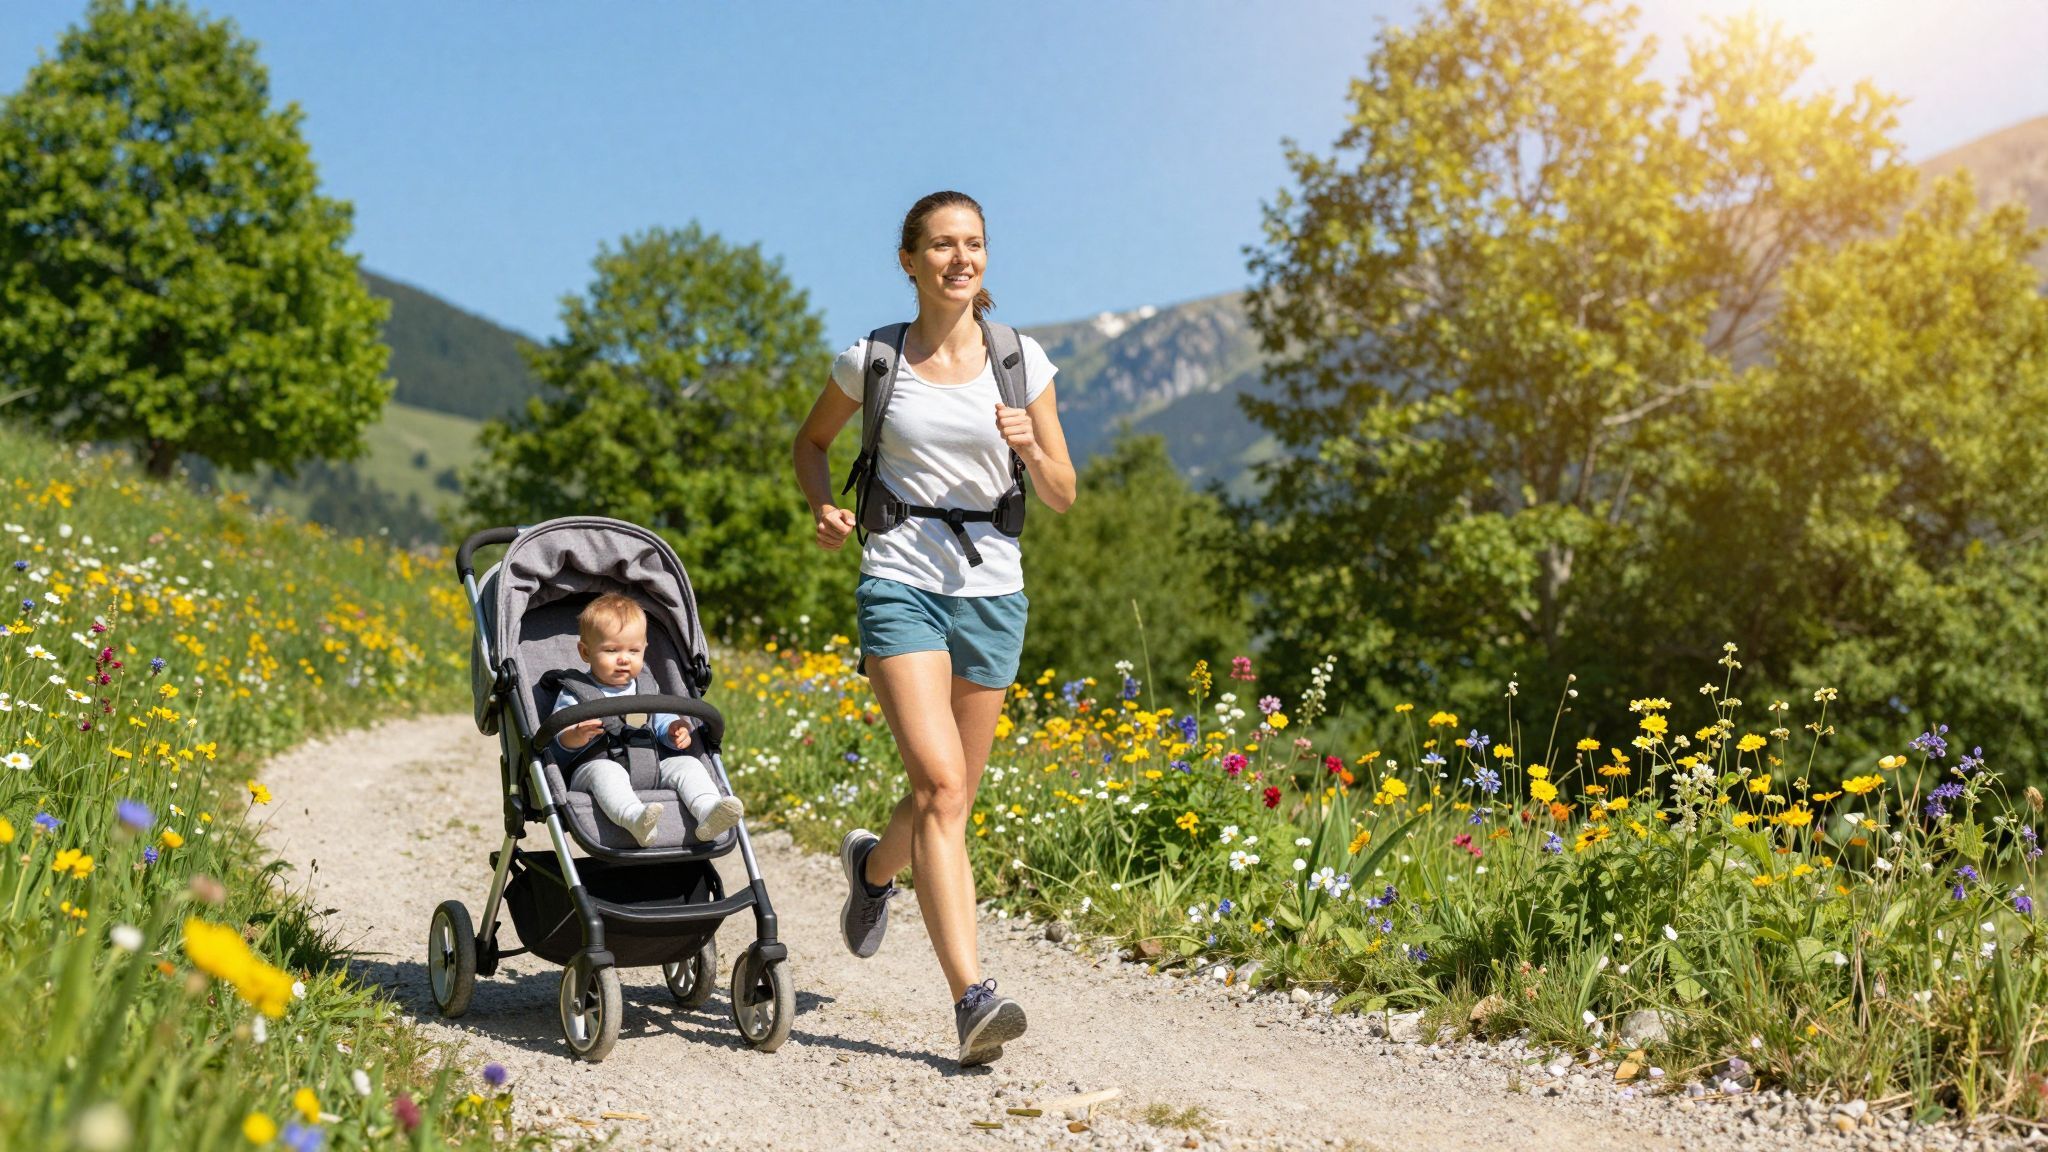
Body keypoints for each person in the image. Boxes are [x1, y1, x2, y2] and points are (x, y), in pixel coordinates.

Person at [791, 190, 1076, 1067]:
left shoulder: (1021, 362)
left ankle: (875, 870)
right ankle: (972, 1001)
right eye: (944, 245)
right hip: (900, 583)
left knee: (947, 796)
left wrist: (1031, 445)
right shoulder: (873, 359)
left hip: (994, 593)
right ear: (909, 259)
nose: (962, 258)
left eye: (975, 244)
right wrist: (826, 507)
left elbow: (1063, 493)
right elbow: (811, 446)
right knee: (944, 789)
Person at [548, 593, 742, 847]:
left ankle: (708, 811)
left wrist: (675, 730)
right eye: (611, 650)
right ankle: (634, 817)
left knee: (686, 764)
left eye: (633, 650)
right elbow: (557, 737)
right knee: (607, 771)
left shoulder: (647, 686)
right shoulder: (576, 690)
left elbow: (662, 722)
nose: (624, 659)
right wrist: (575, 734)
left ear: (644, 651)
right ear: (585, 652)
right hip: (592, 770)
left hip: (650, 768)